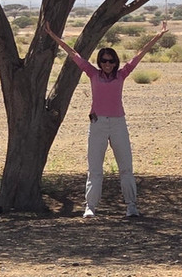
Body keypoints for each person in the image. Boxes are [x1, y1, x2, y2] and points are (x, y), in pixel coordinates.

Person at [44, 20, 168, 218]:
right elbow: (74, 55)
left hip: (119, 124)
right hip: (98, 124)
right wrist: (53, 36)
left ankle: (131, 206)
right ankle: (90, 207)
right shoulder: (92, 73)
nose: (107, 64)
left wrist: (159, 35)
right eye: (104, 61)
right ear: (99, 62)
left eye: (111, 61)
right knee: (94, 170)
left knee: (126, 168)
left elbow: (139, 55)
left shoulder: (122, 74)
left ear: (116, 62)